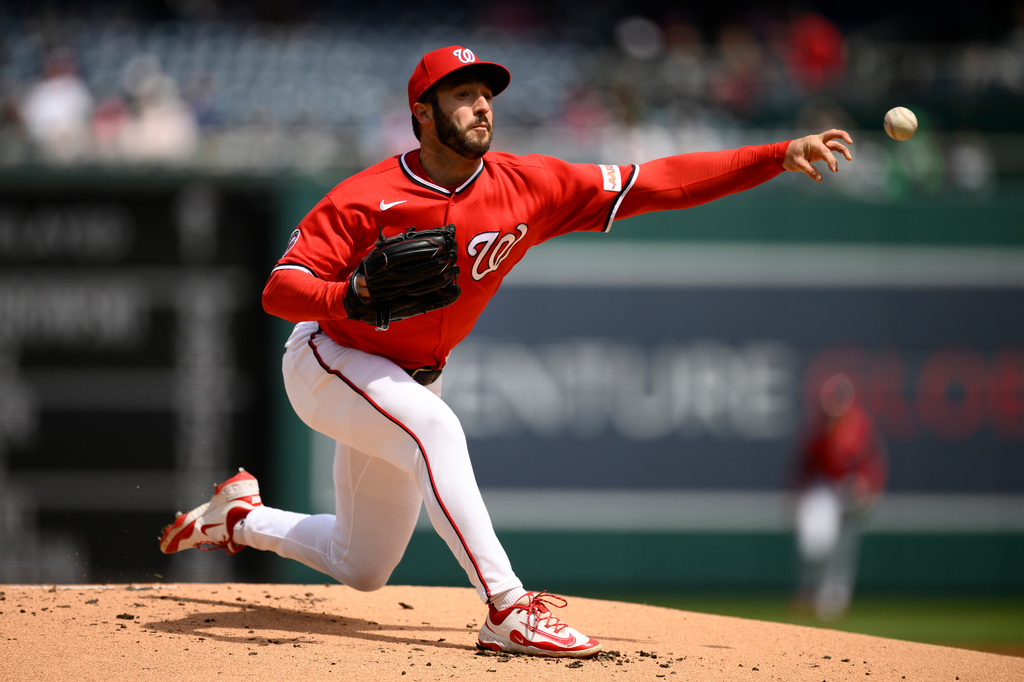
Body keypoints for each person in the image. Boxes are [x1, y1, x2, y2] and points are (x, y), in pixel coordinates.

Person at [160, 44, 854, 658]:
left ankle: (240, 517)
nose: (482, 105)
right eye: (463, 95)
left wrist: (772, 156)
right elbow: (279, 290)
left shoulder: (530, 185)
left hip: (408, 379)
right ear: (423, 114)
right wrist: (347, 299)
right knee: (435, 431)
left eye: (487, 93)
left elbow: (654, 181)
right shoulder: (367, 198)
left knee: (364, 563)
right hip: (326, 358)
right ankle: (509, 609)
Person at [789, 374, 888, 621]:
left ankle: (835, 595)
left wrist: (869, 488)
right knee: (815, 545)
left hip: (851, 490)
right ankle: (811, 589)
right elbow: (804, 466)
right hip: (825, 490)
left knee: (844, 545)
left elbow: (873, 464)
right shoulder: (818, 428)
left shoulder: (860, 427)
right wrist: (796, 495)